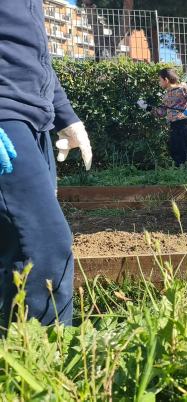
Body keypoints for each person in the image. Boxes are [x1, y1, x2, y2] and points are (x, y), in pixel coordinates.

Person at [0, 0, 93, 327]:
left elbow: (36, 59)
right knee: (46, 246)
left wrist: (67, 118)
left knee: (11, 248)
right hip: (5, 119)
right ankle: (44, 362)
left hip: (33, 122)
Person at [136, 68, 187, 167]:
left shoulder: (181, 89)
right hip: (174, 125)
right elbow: (161, 112)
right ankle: (179, 172)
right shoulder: (166, 95)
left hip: (182, 124)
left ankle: (183, 173)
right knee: (174, 149)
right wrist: (146, 107)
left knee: (181, 150)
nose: (159, 83)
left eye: (160, 80)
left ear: (166, 80)